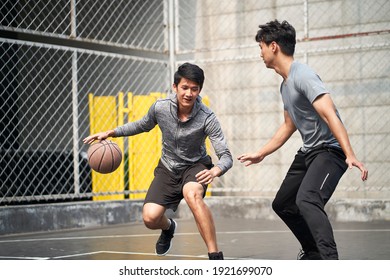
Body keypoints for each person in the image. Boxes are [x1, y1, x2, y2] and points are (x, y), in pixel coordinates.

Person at [237, 20, 368, 260]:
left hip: (330, 151)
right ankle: (314, 253)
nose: (261, 53)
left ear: (274, 46)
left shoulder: (303, 75)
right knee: (283, 204)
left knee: (307, 199)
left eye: (261, 47)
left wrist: (349, 153)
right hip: (310, 152)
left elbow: (330, 114)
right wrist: (261, 153)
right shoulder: (285, 85)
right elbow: (289, 125)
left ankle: (330, 261)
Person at [84, 62, 232, 260]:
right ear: (175, 87)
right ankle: (169, 228)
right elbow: (142, 125)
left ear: (200, 91)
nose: (189, 93)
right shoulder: (160, 108)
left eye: (194, 89)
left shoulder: (207, 118)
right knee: (150, 218)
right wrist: (111, 132)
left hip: (195, 166)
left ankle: (215, 255)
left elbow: (226, 157)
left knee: (192, 195)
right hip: (168, 167)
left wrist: (215, 170)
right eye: (184, 87)